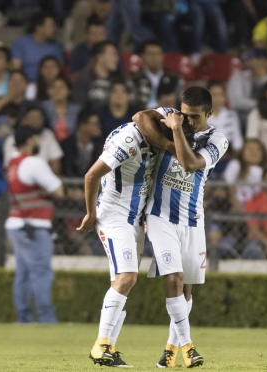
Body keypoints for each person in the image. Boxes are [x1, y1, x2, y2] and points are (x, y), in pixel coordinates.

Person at [134, 87, 229, 368]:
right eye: (184, 116)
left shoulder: (218, 139)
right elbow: (140, 116)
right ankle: (189, 347)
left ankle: (170, 350)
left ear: (210, 114)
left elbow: (189, 163)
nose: (187, 122)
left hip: (192, 220)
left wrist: (172, 134)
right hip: (160, 216)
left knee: (186, 290)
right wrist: (172, 130)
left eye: (195, 118)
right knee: (173, 277)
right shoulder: (173, 117)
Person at [76, 102, 162, 369]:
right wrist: (90, 213)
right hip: (114, 217)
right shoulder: (128, 139)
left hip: (134, 219)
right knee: (127, 278)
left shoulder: (159, 126)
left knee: (123, 283)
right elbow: (91, 176)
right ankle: (101, 345)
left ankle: (108, 349)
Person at [6, 126, 64, 324]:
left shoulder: (12, 163)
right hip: (34, 226)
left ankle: (24, 318)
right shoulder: (33, 163)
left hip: (17, 223)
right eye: (38, 139)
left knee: (23, 273)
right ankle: (47, 319)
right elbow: (57, 189)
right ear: (30, 140)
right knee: (41, 272)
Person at [2, 106, 64, 174]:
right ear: (23, 120)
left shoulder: (48, 134)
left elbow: (56, 161)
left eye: (39, 118)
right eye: (32, 118)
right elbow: (8, 168)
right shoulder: (12, 139)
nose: (35, 121)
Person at [228, 48, 267, 126]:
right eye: (257, 59)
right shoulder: (238, 77)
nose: (261, 62)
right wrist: (261, 104)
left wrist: (264, 78)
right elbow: (236, 102)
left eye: (264, 59)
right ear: (249, 61)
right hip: (241, 120)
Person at [11, 12, 64, 82]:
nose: (54, 28)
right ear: (39, 28)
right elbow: (16, 69)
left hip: (49, 86)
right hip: (26, 85)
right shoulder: (21, 43)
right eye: (51, 26)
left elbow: (59, 71)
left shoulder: (57, 46)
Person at [128, 40, 179, 110]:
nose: (154, 57)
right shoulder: (134, 79)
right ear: (144, 56)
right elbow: (131, 104)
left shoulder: (173, 77)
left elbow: (181, 101)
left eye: (157, 54)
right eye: (151, 54)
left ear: (163, 56)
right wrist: (157, 105)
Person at [73, 41, 121, 110]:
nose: (116, 58)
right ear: (100, 57)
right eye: (113, 54)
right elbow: (79, 106)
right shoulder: (83, 79)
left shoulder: (117, 80)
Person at [60, 107, 103, 178]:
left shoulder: (100, 144)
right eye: (95, 124)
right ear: (83, 125)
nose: (99, 127)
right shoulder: (68, 144)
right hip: (70, 186)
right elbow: (67, 168)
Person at [41, 77, 81, 142]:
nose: (57, 90)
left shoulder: (77, 110)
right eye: (54, 87)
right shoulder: (44, 107)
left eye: (61, 87)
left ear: (69, 91)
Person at [207, 81, 243, 154]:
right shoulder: (201, 116)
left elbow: (237, 139)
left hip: (229, 155)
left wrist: (235, 152)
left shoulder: (232, 115)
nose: (217, 98)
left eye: (220, 95)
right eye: (214, 95)